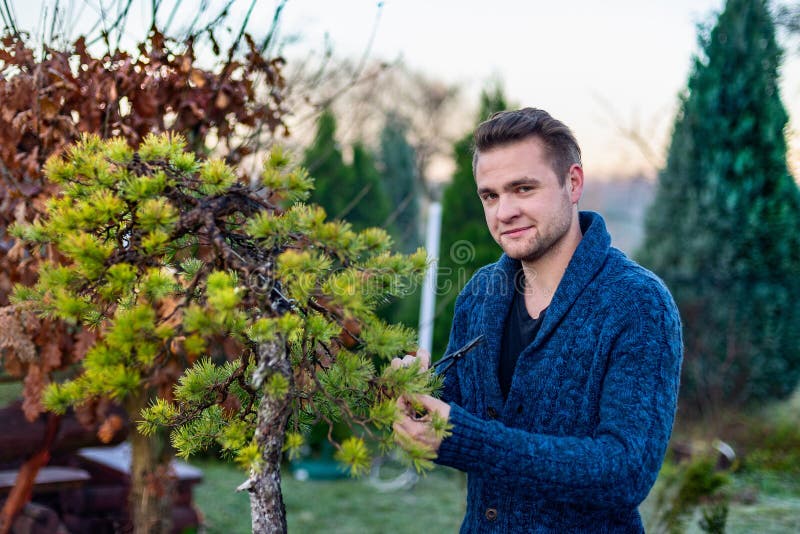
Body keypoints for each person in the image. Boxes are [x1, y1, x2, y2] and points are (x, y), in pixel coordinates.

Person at [392, 107, 683, 533]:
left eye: (523, 189)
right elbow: (459, 413)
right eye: (489, 195)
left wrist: (466, 438)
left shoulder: (637, 303)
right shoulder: (480, 295)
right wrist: (416, 395)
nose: (503, 212)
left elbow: (625, 472)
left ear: (573, 183)